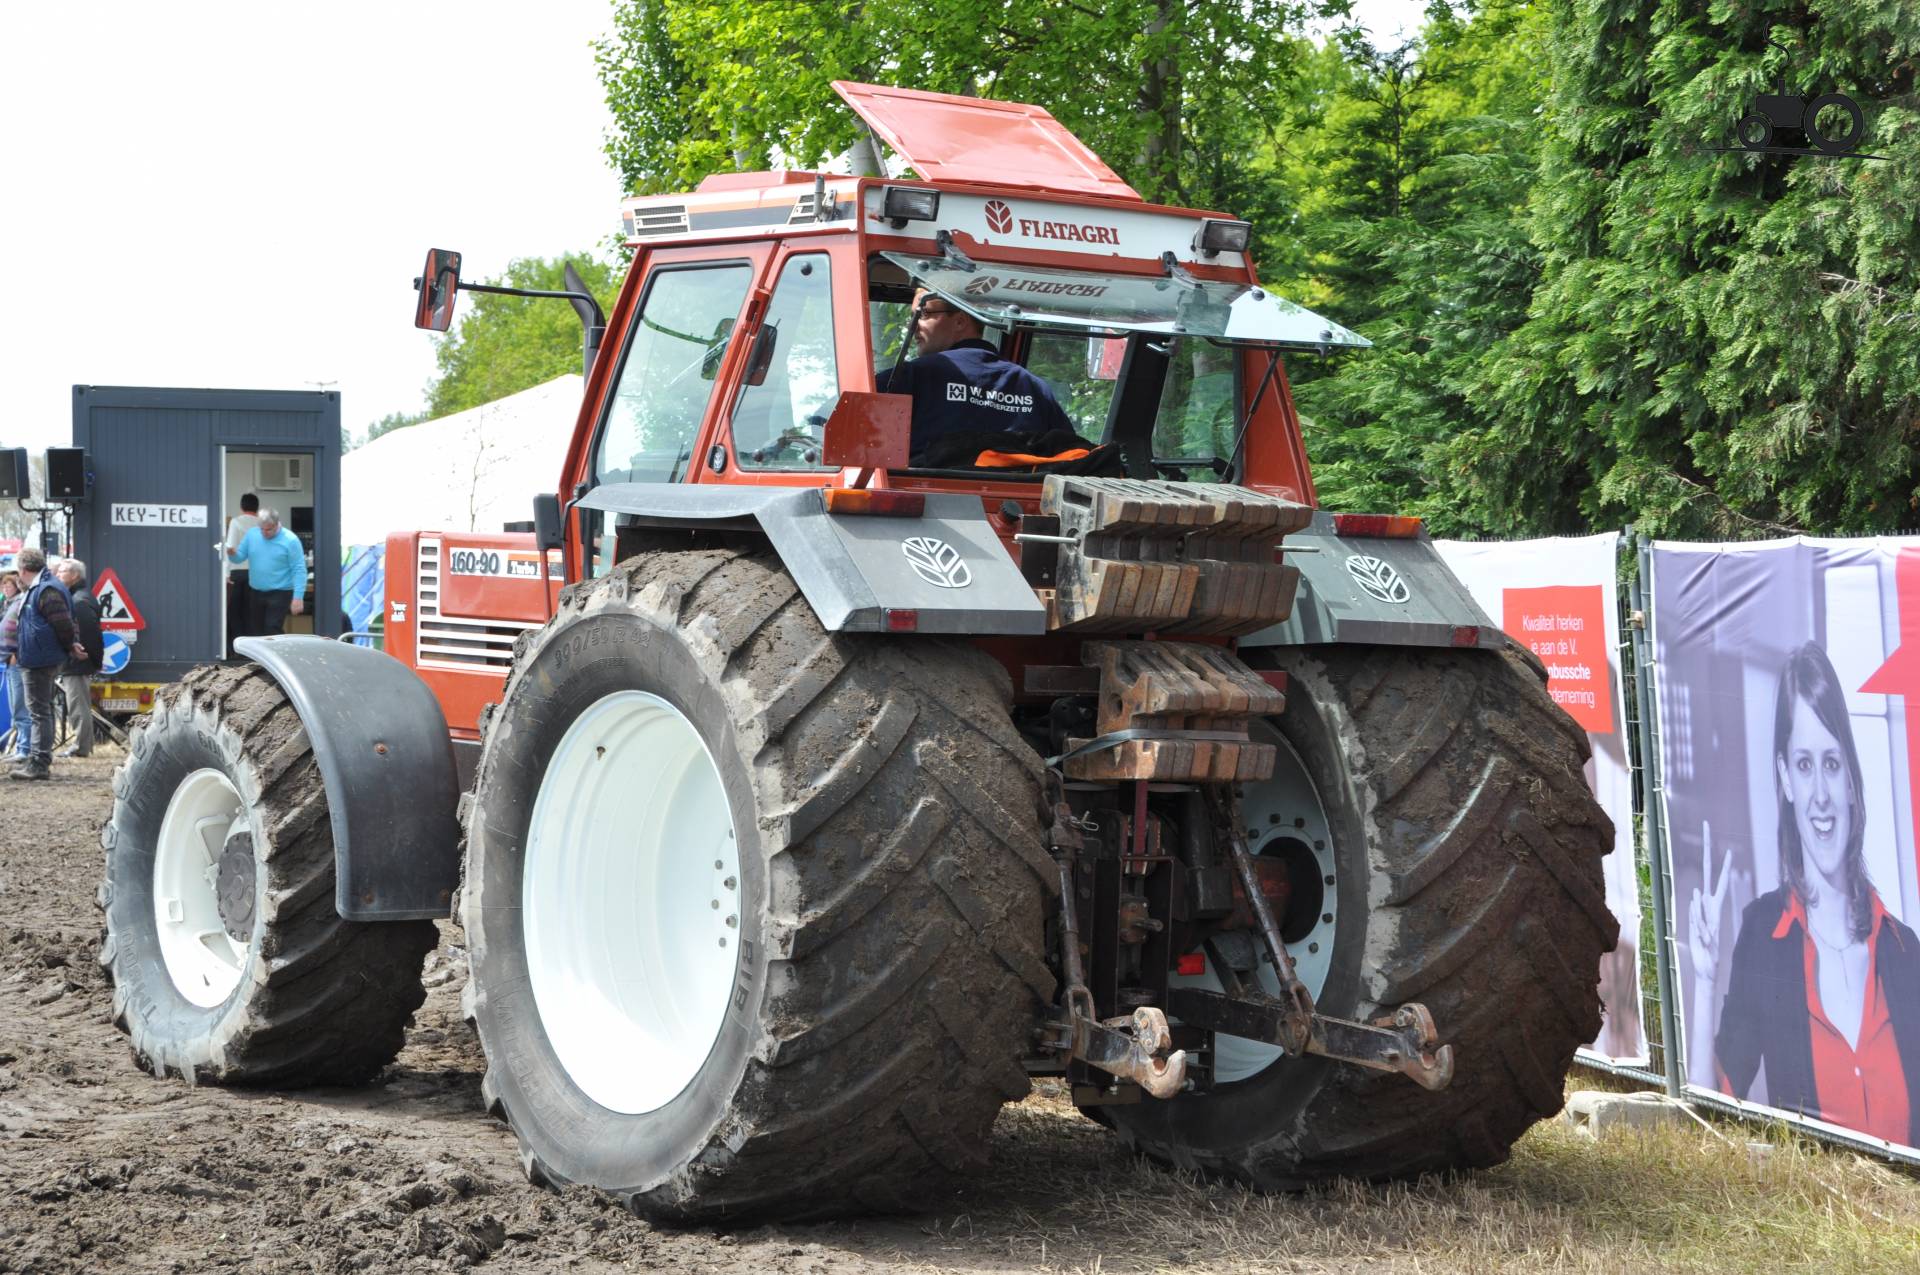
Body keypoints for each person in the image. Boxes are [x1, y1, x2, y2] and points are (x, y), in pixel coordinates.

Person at [1689, 642, 1920, 1146]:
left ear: (1853, 782)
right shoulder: (1761, 935)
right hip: (1816, 1215)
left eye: (1832, 764)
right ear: (1785, 779)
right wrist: (1704, 980)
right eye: (1805, 764)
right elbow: (1710, 1113)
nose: (1820, 795)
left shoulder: (1907, 953)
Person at [877, 289, 1076, 458]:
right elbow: (1071, 457)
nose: (912, 327)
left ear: (960, 322)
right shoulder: (1034, 388)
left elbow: (859, 437)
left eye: (923, 314)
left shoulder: (908, 378)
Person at [10, 547, 86, 781]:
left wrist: (70, 644)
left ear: (23, 569)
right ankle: (40, 760)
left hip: (39, 659)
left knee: (39, 712)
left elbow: (62, 623)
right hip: (39, 656)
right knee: (42, 711)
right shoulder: (44, 586)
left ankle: (39, 763)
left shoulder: (46, 589)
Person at [226, 508, 306, 637]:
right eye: (261, 529)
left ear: (277, 524)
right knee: (255, 630)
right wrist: (231, 553)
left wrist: (298, 597)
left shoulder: (290, 540)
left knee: (272, 627)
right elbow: (239, 557)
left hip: (281, 591)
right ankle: (260, 657)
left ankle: (277, 656)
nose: (264, 533)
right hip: (256, 591)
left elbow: (299, 569)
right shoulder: (252, 534)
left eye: (268, 529)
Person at [54, 557, 103, 758]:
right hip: (76, 662)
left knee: (77, 705)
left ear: (74, 575)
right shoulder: (75, 597)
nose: (57, 574)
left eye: (62, 571)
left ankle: (81, 747)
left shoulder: (79, 600)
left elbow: (89, 634)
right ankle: (82, 744)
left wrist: (89, 658)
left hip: (78, 662)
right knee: (76, 704)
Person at [220, 493, 261, 655]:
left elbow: (230, 548)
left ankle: (237, 649)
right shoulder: (261, 524)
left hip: (238, 572)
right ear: (257, 508)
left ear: (242, 507)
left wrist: (226, 573)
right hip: (257, 574)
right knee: (252, 611)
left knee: (235, 612)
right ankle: (253, 650)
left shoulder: (236, 522)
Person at [0, 572, 28, 763]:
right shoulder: (9, 604)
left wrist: (14, 655)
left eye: (9, 585)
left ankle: (24, 749)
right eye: (4, 585)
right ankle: (19, 747)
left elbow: (20, 632)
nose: (6, 588)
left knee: (21, 708)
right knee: (15, 708)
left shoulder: (20, 603)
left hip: (15, 661)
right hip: (8, 661)